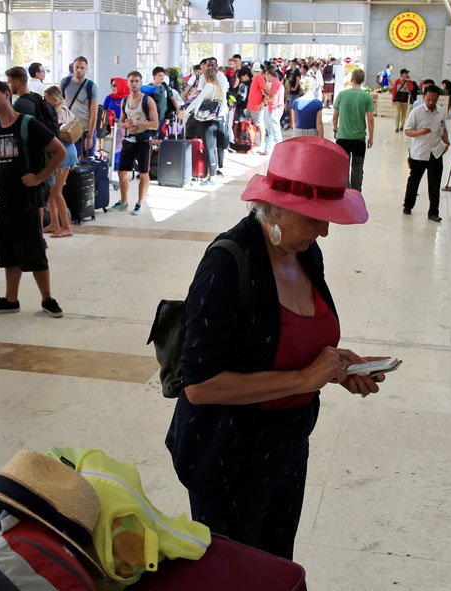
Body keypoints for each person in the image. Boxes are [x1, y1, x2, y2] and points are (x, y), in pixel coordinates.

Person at [166, 136, 381, 560]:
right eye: (317, 218)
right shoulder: (227, 263)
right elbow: (200, 386)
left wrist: (336, 367)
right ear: (277, 208)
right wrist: (303, 379)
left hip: (286, 447)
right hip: (228, 456)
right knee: (237, 573)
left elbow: (293, 337)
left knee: (277, 562)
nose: (325, 229)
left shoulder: (304, 253)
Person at [0, 81, 66, 317]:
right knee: (7, 251)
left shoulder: (28, 124)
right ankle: (11, 299)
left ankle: (47, 298)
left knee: (34, 250)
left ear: (7, 95)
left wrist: (39, 178)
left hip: (26, 200)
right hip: (1, 199)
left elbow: (60, 151)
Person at [403, 85, 449, 222]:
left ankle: (433, 212)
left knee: (435, 184)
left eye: (434, 100)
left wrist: (446, 143)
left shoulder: (441, 112)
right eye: (429, 99)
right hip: (419, 153)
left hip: (435, 153)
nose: (431, 102)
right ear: (424, 97)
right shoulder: (416, 112)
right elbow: (407, 131)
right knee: (414, 182)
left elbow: (443, 129)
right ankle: (408, 205)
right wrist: (419, 132)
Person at [115, 71, 159, 209]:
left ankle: (140, 203)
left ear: (141, 83)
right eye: (131, 81)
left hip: (143, 141)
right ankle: (123, 201)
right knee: (122, 172)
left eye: (136, 81)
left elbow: (155, 124)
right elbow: (120, 122)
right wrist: (126, 125)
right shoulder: (125, 101)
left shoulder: (148, 101)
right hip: (129, 141)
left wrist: (137, 123)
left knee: (143, 173)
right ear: (127, 83)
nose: (134, 84)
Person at [181, 58, 229, 184]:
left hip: (207, 122)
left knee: (209, 148)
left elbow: (198, 100)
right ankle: (211, 174)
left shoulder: (208, 86)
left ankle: (211, 177)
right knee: (212, 148)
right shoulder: (218, 87)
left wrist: (185, 112)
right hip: (216, 120)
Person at [332, 68, 374, 192]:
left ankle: (344, 192)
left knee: (343, 166)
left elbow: (335, 116)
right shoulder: (367, 97)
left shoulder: (342, 95)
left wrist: (335, 130)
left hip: (342, 137)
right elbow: (370, 119)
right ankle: (356, 193)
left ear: (351, 79)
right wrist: (371, 136)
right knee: (358, 166)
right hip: (359, 139)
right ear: (363, 80)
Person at [43, 85, 77, 237]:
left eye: (47, 99)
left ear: (55, 100)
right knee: (51, 191)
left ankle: (66, 226)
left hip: (64, 154)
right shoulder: (63, 110)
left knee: (56, 191)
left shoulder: (60, 113)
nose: (45, 101)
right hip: (64, 152)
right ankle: (54, 223)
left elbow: (56, 134)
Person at [61, 56, 100, 158]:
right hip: (70, 128)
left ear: (86, 69)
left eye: (82, 68)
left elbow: (94, 112)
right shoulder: (65, 82)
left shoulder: (91, 86)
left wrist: (90, 136)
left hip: (86, 129)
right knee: (73, 160)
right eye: (77, 67)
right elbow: (60, 104)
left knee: (88, 160)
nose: (79, 70)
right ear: (73, 67)